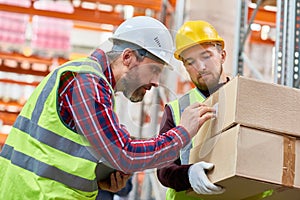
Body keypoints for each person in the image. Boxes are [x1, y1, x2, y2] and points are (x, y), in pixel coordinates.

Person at [0, 16, 217, 199]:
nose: (156, 82)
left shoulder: (91, 83)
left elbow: (57, 157)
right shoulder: (86, 82)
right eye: (154, 70)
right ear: (128, 57)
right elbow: (126, 154)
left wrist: (98, 181)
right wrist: (182, 133)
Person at [157, 20, 230, 199]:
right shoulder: (175, 110)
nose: (201, 67)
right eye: (190, 62)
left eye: (206, 56)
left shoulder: (246, 97)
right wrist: (188, 174)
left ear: (222, 55)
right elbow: (163, 168)